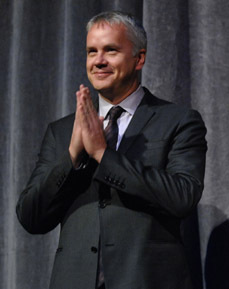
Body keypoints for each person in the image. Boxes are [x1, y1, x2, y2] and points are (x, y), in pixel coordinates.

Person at [16, 11, 207, 289]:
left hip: (146, 279)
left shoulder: (178, 120)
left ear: (139, 58)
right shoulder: (62, 131)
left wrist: (104, 156)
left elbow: (182, 196)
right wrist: (72, 156)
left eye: (111, 50)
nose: (99, 61)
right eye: (91, 51)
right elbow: (31, 217)